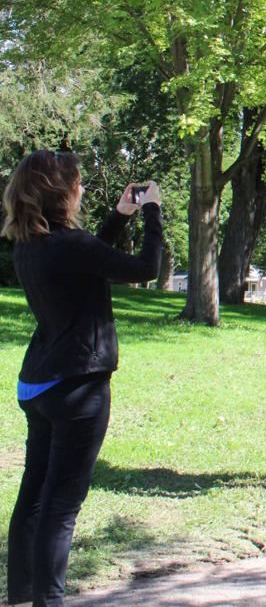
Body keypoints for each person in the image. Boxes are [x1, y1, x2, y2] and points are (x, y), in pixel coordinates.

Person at [2, 150, 162, 607]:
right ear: (61, 191)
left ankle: (23, 597)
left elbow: (93, 259)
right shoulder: (66, 245)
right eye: (78, 183)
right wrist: (152, 211)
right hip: (78, 385)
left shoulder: (32, 242)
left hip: (39, 382)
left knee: (34, 496)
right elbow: (143, 269)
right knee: (61, 506)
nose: (82, 189)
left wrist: (120, 215)